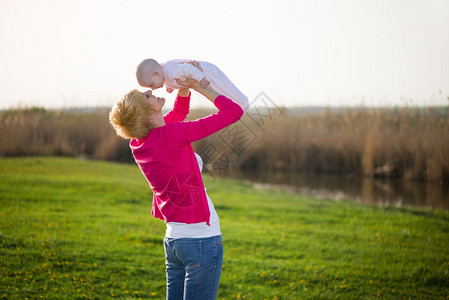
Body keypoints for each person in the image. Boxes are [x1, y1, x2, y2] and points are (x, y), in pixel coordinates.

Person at [109, 77, 244, 299]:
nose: (150, 92)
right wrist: (200, 86)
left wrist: (183, 89)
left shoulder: (139, 143)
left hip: (175, 243)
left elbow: (178, 114)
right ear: (149, 114)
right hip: (201, 241)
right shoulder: (172, 136)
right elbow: (233, 113)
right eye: (146, 97)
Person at [136, 58, 249, 110]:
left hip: (205, 73)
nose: (153, 89)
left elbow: (188, 68)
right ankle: (238, 106)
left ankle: (242, 102)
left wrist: (200, 78)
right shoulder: (165, 75)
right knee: (218, 93)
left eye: (151, 85)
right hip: (199, 76)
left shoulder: (171, 70)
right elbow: (173, 81)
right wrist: (170, 87)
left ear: (156, 74)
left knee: (225, 88)